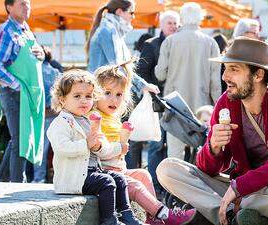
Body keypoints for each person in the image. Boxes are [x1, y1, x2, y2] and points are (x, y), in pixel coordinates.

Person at [156, 37, 268, 225]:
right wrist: (213, 147)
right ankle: (234, 217)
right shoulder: (226, 102)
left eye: (234, 69)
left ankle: (217, 213)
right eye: (225, 68)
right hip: (243, 194)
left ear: (258, 74)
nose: (225, 76)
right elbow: (209, 170)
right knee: (168, 169)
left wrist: (240, 187)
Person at [93, 63, 197, 225]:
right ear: (95, 94)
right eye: (107, 93)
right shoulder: (96, 117)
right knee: (134, 185)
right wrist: (121, 146)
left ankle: (152, 217)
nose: (114, 99)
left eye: (119, 94)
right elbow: (99, 148)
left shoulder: (112, 118)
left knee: (144, 174)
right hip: (104, 174)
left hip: (117, 169)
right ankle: (163, 213)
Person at [47, 70, 144, 225]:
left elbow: (102, 147)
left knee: (118, 178)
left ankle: (126, 215)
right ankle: (109, 220)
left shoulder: (87, 121)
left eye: (88, 96)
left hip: (91, 171)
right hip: (74, 177)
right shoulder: (61, 123)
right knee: (106, 182)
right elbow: (61, 148)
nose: (84, 101)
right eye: (77, 96)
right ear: (62, 100)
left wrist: (118, 148)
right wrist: (85, 144)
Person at [0, 0, 45, 183]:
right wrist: (18, 85)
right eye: (22, 3)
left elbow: (31, 60)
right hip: (14, 94)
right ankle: (17, 183)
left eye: (28, 3)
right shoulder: (5, 31)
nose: (27, 6)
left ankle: (0, 180)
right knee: (21, 140)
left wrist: (41, 55)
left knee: (20, 138)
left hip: (27, 95)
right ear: (9, 7)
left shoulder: (26, 31)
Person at [155, 2, 221, 160]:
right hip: (202, 108)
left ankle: (172, 184)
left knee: (174, 156)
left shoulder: (169, 41)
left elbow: (160, 75)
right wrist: (219, 106)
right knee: (202, 155)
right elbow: (215, 82)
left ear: (182, 18)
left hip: (175, 107)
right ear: (200, 18)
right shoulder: (211, 43)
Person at [136, 10, 180, 197]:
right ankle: (155, 185)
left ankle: (171, 185)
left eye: (176, 23)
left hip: (176, 102)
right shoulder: (151, 44)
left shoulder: (180, 44)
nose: (174, 26)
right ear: (161, 25)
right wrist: (152, 88)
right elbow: (141, 71)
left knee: (175, 145)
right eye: (170, 23)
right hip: (157, 101)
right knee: (156, 144)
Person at [86, 0, 159, 97]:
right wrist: (143, 85)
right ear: (119, 11)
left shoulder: (112, 30)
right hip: (101, 91)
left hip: (105, 89)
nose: (133, 16)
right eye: (131, 12)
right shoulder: (108, 31)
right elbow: (119, 66)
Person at [32, 46, 62, 183]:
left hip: (41, 114)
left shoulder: (36, 71)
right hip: (56, 114)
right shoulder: (56, 72)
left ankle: (39, 178)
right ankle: (59, 176)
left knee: (40, 149)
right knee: (58, 148)